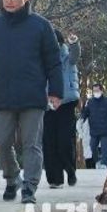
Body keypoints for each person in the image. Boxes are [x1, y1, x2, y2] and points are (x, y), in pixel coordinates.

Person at [0, 0, 63, 204]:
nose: (10, 1)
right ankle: (12, 177)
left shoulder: (41, 26)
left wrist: (56, 91)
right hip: (2, 96)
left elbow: (53, 62)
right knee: (2, 142)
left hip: (33, 96)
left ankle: (29, 187)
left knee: (31, 143)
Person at [43, 30, 80, 189]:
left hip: (66, 103)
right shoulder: (41, 59)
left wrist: (74, 42)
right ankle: (55, 179)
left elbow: (75, 55)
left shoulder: (67, 57)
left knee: (64, 141)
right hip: (47, 105)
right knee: (49, 143)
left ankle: (70, 171)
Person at [80, 83, 107, 168]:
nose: (95, 92)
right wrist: (82, 118)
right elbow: (85, 112)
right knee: (92, 148)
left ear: (101, 91)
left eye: (97, 90)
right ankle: (96, 162)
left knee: (105, 149)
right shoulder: (90, 102)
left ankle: (105, 164)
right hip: (94, 131)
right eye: (94, 91)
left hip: (105, 130)